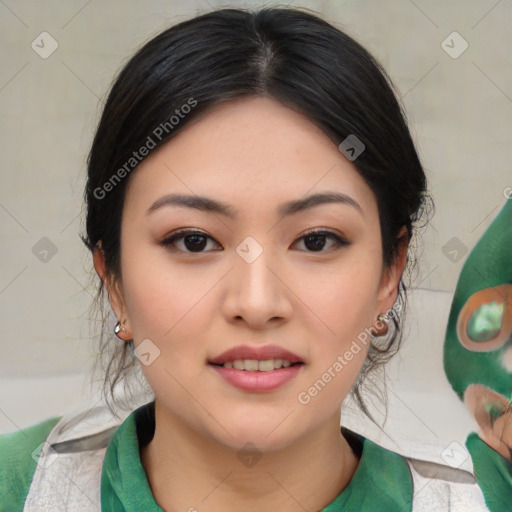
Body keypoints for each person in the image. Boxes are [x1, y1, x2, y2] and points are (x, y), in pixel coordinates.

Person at [1, 6, 508, 511]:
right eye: (194, 241)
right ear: (113, 279)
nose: (257, 302)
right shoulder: (18, 487)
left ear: (389, 273)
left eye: (316, 241)